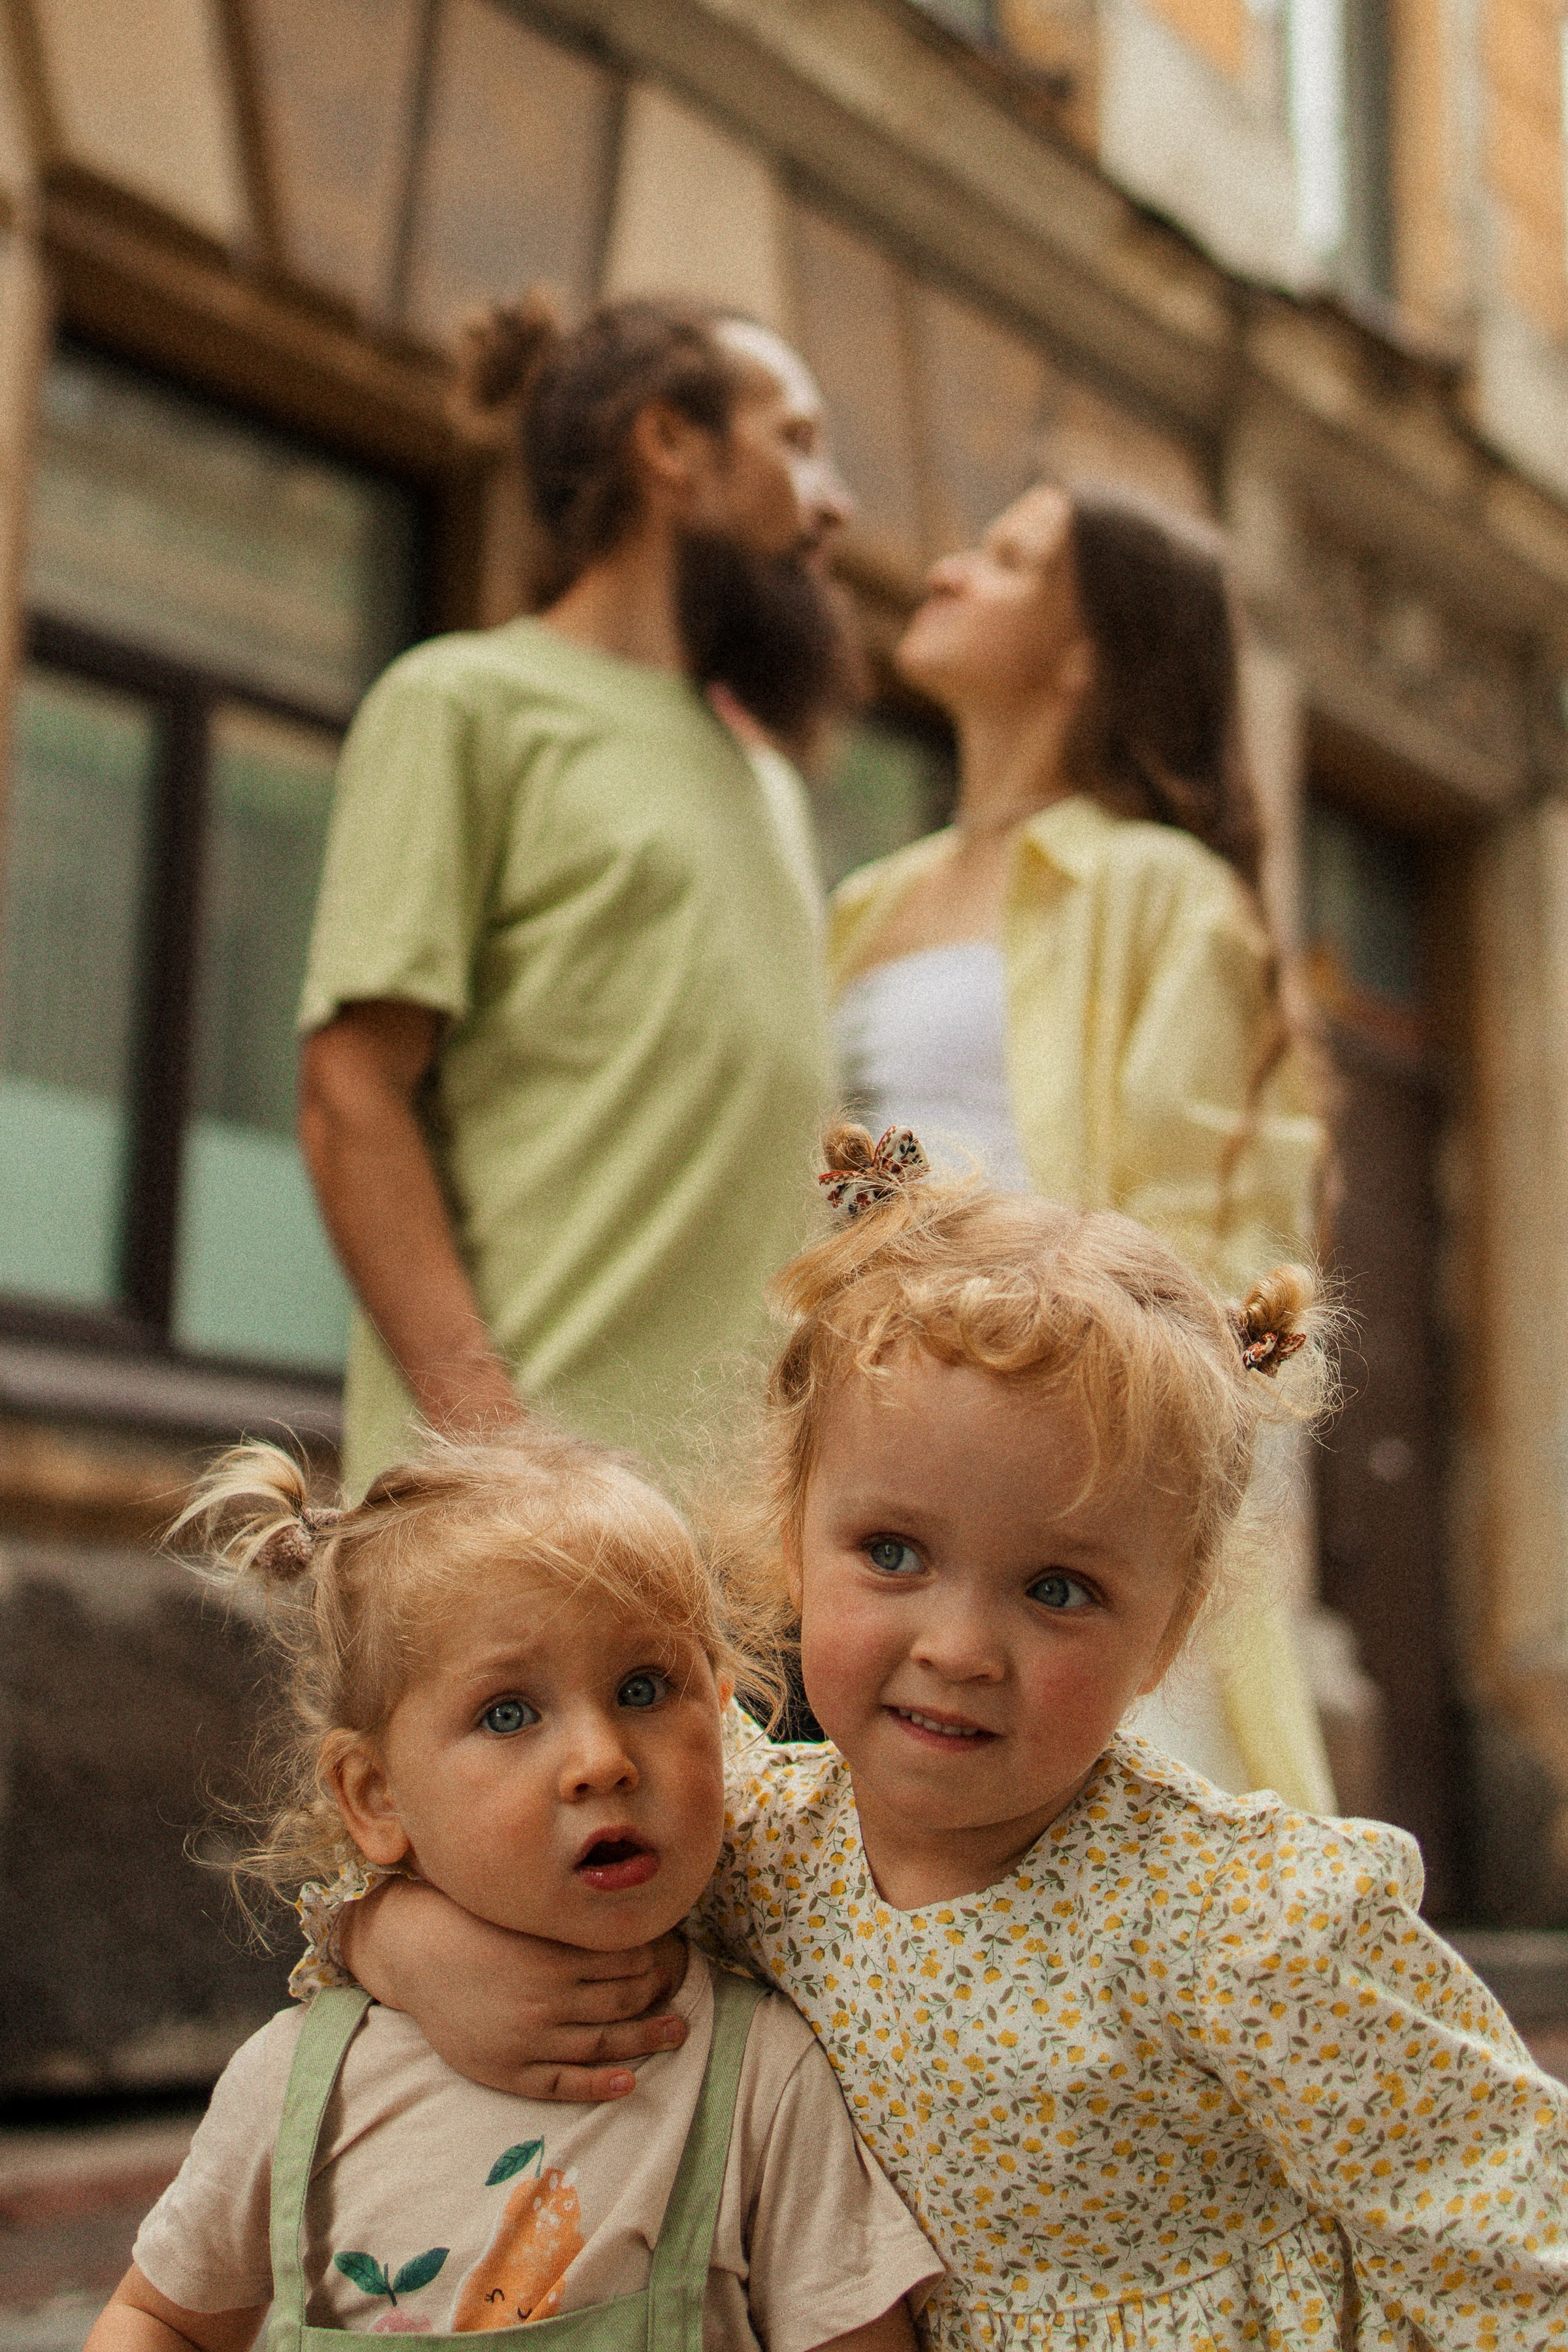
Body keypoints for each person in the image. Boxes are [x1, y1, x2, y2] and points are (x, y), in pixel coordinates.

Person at [316, 1134, 1568, 2347]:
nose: (960, 1647)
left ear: (1169, 1630)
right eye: (895, 1554)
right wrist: (402, 1942)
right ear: (793, 1538)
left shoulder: (1243, 1924)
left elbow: (1507, 2233)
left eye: (1059, 1589)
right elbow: (455, 1853)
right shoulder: (744, 1840)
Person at [85, 1428, 940, 2352]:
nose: (600, 1761)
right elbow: (160, 2319)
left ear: (726, 1723)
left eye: (646, 1688)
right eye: (508, 1714)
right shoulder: (301, 2083)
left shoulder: (760, 2080)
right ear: (376, 1797)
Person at [299, 294, 851, 1498]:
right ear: (670, 446)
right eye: (797, 443)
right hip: (509, 1528)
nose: (836, 501)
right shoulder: (463, 703)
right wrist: (495, 1447)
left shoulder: (766, 777)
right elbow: (351, 1094)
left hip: (736, 1544)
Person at [832, 481, 1330, 1804]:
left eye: (1003, 561)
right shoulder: (867, 899)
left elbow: (1220, 1233)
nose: (943, 568)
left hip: (1062, 1463)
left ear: (1085, 653)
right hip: (873, 1446)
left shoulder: (1164, 891)